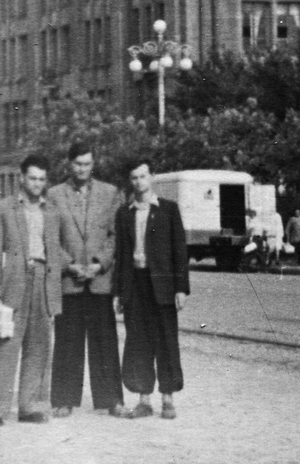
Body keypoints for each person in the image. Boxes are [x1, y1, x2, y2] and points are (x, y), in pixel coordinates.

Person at [0, 154, 65, 427]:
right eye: (32, 178)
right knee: (7, 345)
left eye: (42, 179)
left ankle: (31, 406)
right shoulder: (2, 209)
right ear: (21, 178)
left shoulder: (51, 211)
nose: (37, 184)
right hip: (13, 283)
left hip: (43, 280)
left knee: (39, 346)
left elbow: (54, 252)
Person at [47, 141, 124, 418]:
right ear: (69, 164)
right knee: (68, 342)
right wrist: (69, 265)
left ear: (93, 164)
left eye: (87, 164)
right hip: (70, 281)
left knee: (105, 341)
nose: (82, 169)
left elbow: (116, 235)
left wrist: (98, 263)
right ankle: (64, 399)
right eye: (78, 164)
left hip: (99, 280)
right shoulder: (54, 195)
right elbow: (50, 238)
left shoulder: (110, 192)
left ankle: (111, 399)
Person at [113, 158, 189, 420]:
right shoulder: (125, 213)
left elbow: (180, 251)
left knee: (166, 341)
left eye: (143, 176)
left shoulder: (168, 210)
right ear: (130, 181)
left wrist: (181, 288)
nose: (138, 182)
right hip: (136, 284)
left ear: (152, 177)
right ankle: (144, 399)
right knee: (138, 342)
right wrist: (119, 293)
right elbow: (121, 256)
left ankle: (168, 398)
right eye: (134, 178)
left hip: (164, 286)